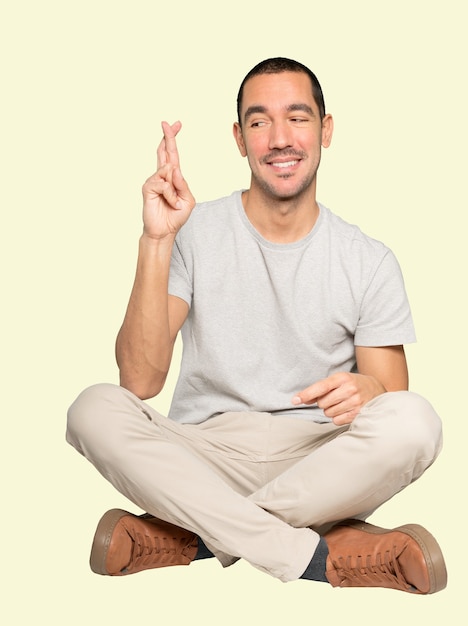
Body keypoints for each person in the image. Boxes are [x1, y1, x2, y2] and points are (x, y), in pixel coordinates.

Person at [66, 57, 447, 594]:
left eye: (298, 117)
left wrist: (368, 388)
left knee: (417, 421)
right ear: (240, 139)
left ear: (326, 130)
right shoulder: (192, 232)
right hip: (203, 455)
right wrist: (157, 240)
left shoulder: (369, 260)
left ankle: (197, 538)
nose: (280, 138)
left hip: (320, 462)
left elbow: (392, 403)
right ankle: (314, 556)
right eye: (259, 121)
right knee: (92, 408)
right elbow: (140, 382)